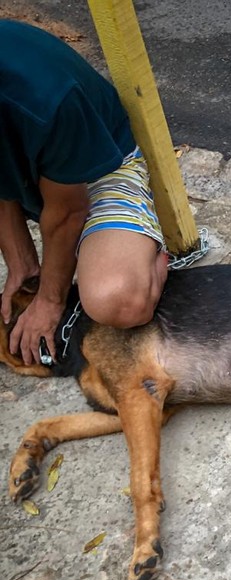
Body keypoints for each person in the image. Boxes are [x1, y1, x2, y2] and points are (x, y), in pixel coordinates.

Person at [1, 19, 168, 366]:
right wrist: (21, 266)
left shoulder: (46, 99)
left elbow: (68, 213)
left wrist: (49, 300)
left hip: (100, 170)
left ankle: (148, 253)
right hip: (32, 172)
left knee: (120, 302)